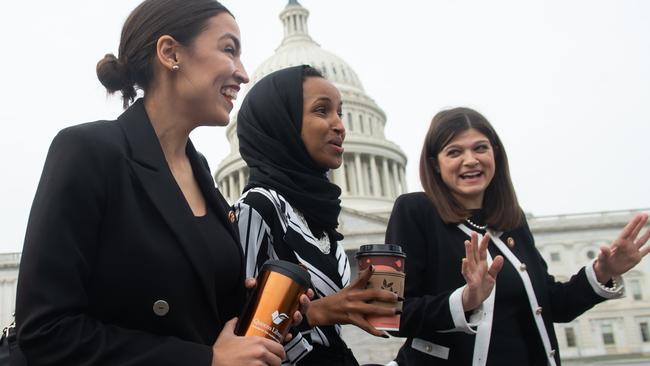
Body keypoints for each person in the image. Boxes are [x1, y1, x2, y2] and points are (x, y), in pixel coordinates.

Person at [15, 1, 306, 365]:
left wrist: (262, 312)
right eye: (229, 49)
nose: (244, 74)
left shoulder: (200, 170)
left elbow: (194, 314)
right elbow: (47, 330)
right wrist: (205, 361)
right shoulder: (88, 151)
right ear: (170, 53)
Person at [385, 107, 650, 365]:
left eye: (480, 148)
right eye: (454, 152)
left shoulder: (512, 220)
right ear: (435, 164)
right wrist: (465, 300)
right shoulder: (412, 210)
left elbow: (553, 304)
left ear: (495, 154)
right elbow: (386, 314)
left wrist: (602, 271)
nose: (470, 160)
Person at [234, 65, 400, 366]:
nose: (339, 125)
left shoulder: (320, 222)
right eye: (322, 111)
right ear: (281, 123)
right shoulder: (258, 207)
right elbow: (241, 331)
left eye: (341, 112)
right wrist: (318, 312)